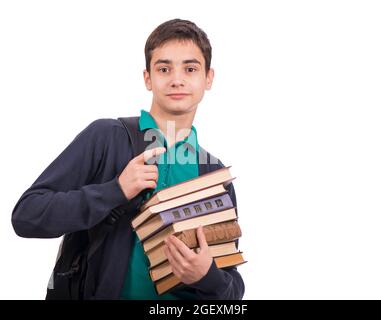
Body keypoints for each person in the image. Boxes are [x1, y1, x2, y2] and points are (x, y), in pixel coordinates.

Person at [12, 18, 244, 300]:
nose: (177, 79)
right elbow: (26, 216)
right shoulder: (107, 137)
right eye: (164, 68)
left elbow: (232, 289)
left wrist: (207, 276)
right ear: (148, 78)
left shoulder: (214, 173)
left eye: (190, 68)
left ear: (208, 78)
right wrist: (115, 190)